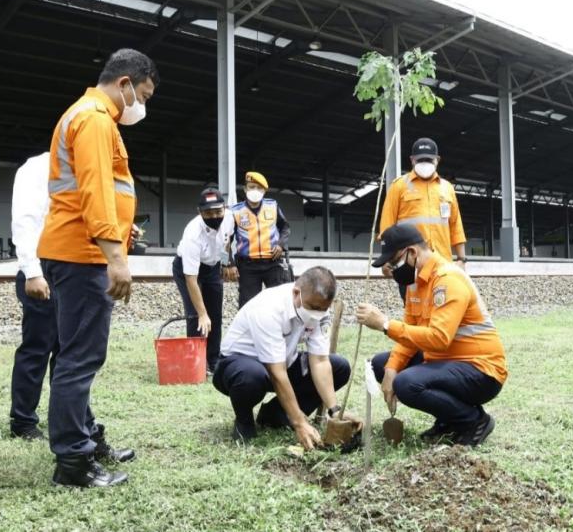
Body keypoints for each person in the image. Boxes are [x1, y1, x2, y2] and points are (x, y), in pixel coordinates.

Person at [37, 48, 158, 487]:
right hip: (82, 254)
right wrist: (115, 256)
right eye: (142, 95)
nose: (141, 106)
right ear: (125, 83)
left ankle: (85, 436)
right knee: (80, 358)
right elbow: (95, 191)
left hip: (74, 249)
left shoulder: (91, 116)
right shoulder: (94, 119)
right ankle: (73, 462)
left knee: (73, 354)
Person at [356, 224, 507, 447]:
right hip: (445, 361)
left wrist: (385, 325)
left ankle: (474, 421)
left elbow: (438, 338)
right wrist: (390, 368)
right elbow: (410, 332)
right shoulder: (415, 284)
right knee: (382, 364)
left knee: (406, 384)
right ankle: (448, 420)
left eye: (394, 262)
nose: (392, 269)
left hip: (480, 371)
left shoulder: (448, 279)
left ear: (412, 253)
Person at [213, 266, 362, 449]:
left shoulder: (320, 309)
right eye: (314, 308)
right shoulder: (268, 308)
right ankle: (244, 421)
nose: (318, 313)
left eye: (323, 309)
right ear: (296, 293)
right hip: (238, 365)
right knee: (251, 376)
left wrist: (335, 411)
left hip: (282, 361)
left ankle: (274, 415)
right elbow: (276, 373)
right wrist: (299, 422)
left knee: (339, 366)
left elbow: (320, 361)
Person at [379, 138, 467, 300]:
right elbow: (387, 226)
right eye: (420, 159)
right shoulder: (399, 186)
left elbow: (456, 226)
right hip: (409, 265)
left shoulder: (447, 188)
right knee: (414, 314)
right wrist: (386, 260)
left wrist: (462, 260)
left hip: (442, 266)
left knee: (441, 312)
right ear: (412, 160)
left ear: (437, 160)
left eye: (429, 159)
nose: (424, 163)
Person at [9, 152, 55, 441]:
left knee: (68, 352)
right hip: (43, 268)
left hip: (69, 270)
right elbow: (25, 220)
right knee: (38, 347)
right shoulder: (38, 167)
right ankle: (23, 421)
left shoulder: (84, 161)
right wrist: (32, 271)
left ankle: (65, 418)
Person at [172, 188, 234, 373]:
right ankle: (196, 361)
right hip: (188, 270)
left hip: (213, 266)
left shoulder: (229, 218)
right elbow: (191, 279)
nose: (214, 216)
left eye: (218, 211)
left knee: (214, 313)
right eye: (208, 212)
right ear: (199, 212)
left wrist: (225, 263)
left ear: (224, 208)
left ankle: (213, 361)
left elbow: (227, 241)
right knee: (195, 315)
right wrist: (201, 313)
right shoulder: (193, 234)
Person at [224, 171, 291, 308]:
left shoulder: (273, 206)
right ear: (245, 189)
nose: (255, 190)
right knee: (248, 306)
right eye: (251, 186)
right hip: (248, 266)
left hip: (273, 263)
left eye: (259, 188)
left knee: (279, 303)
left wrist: (281, 245)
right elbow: (226, 239)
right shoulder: (235, 211)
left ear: (264, 191)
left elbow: (285, 227)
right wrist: (229, 263)